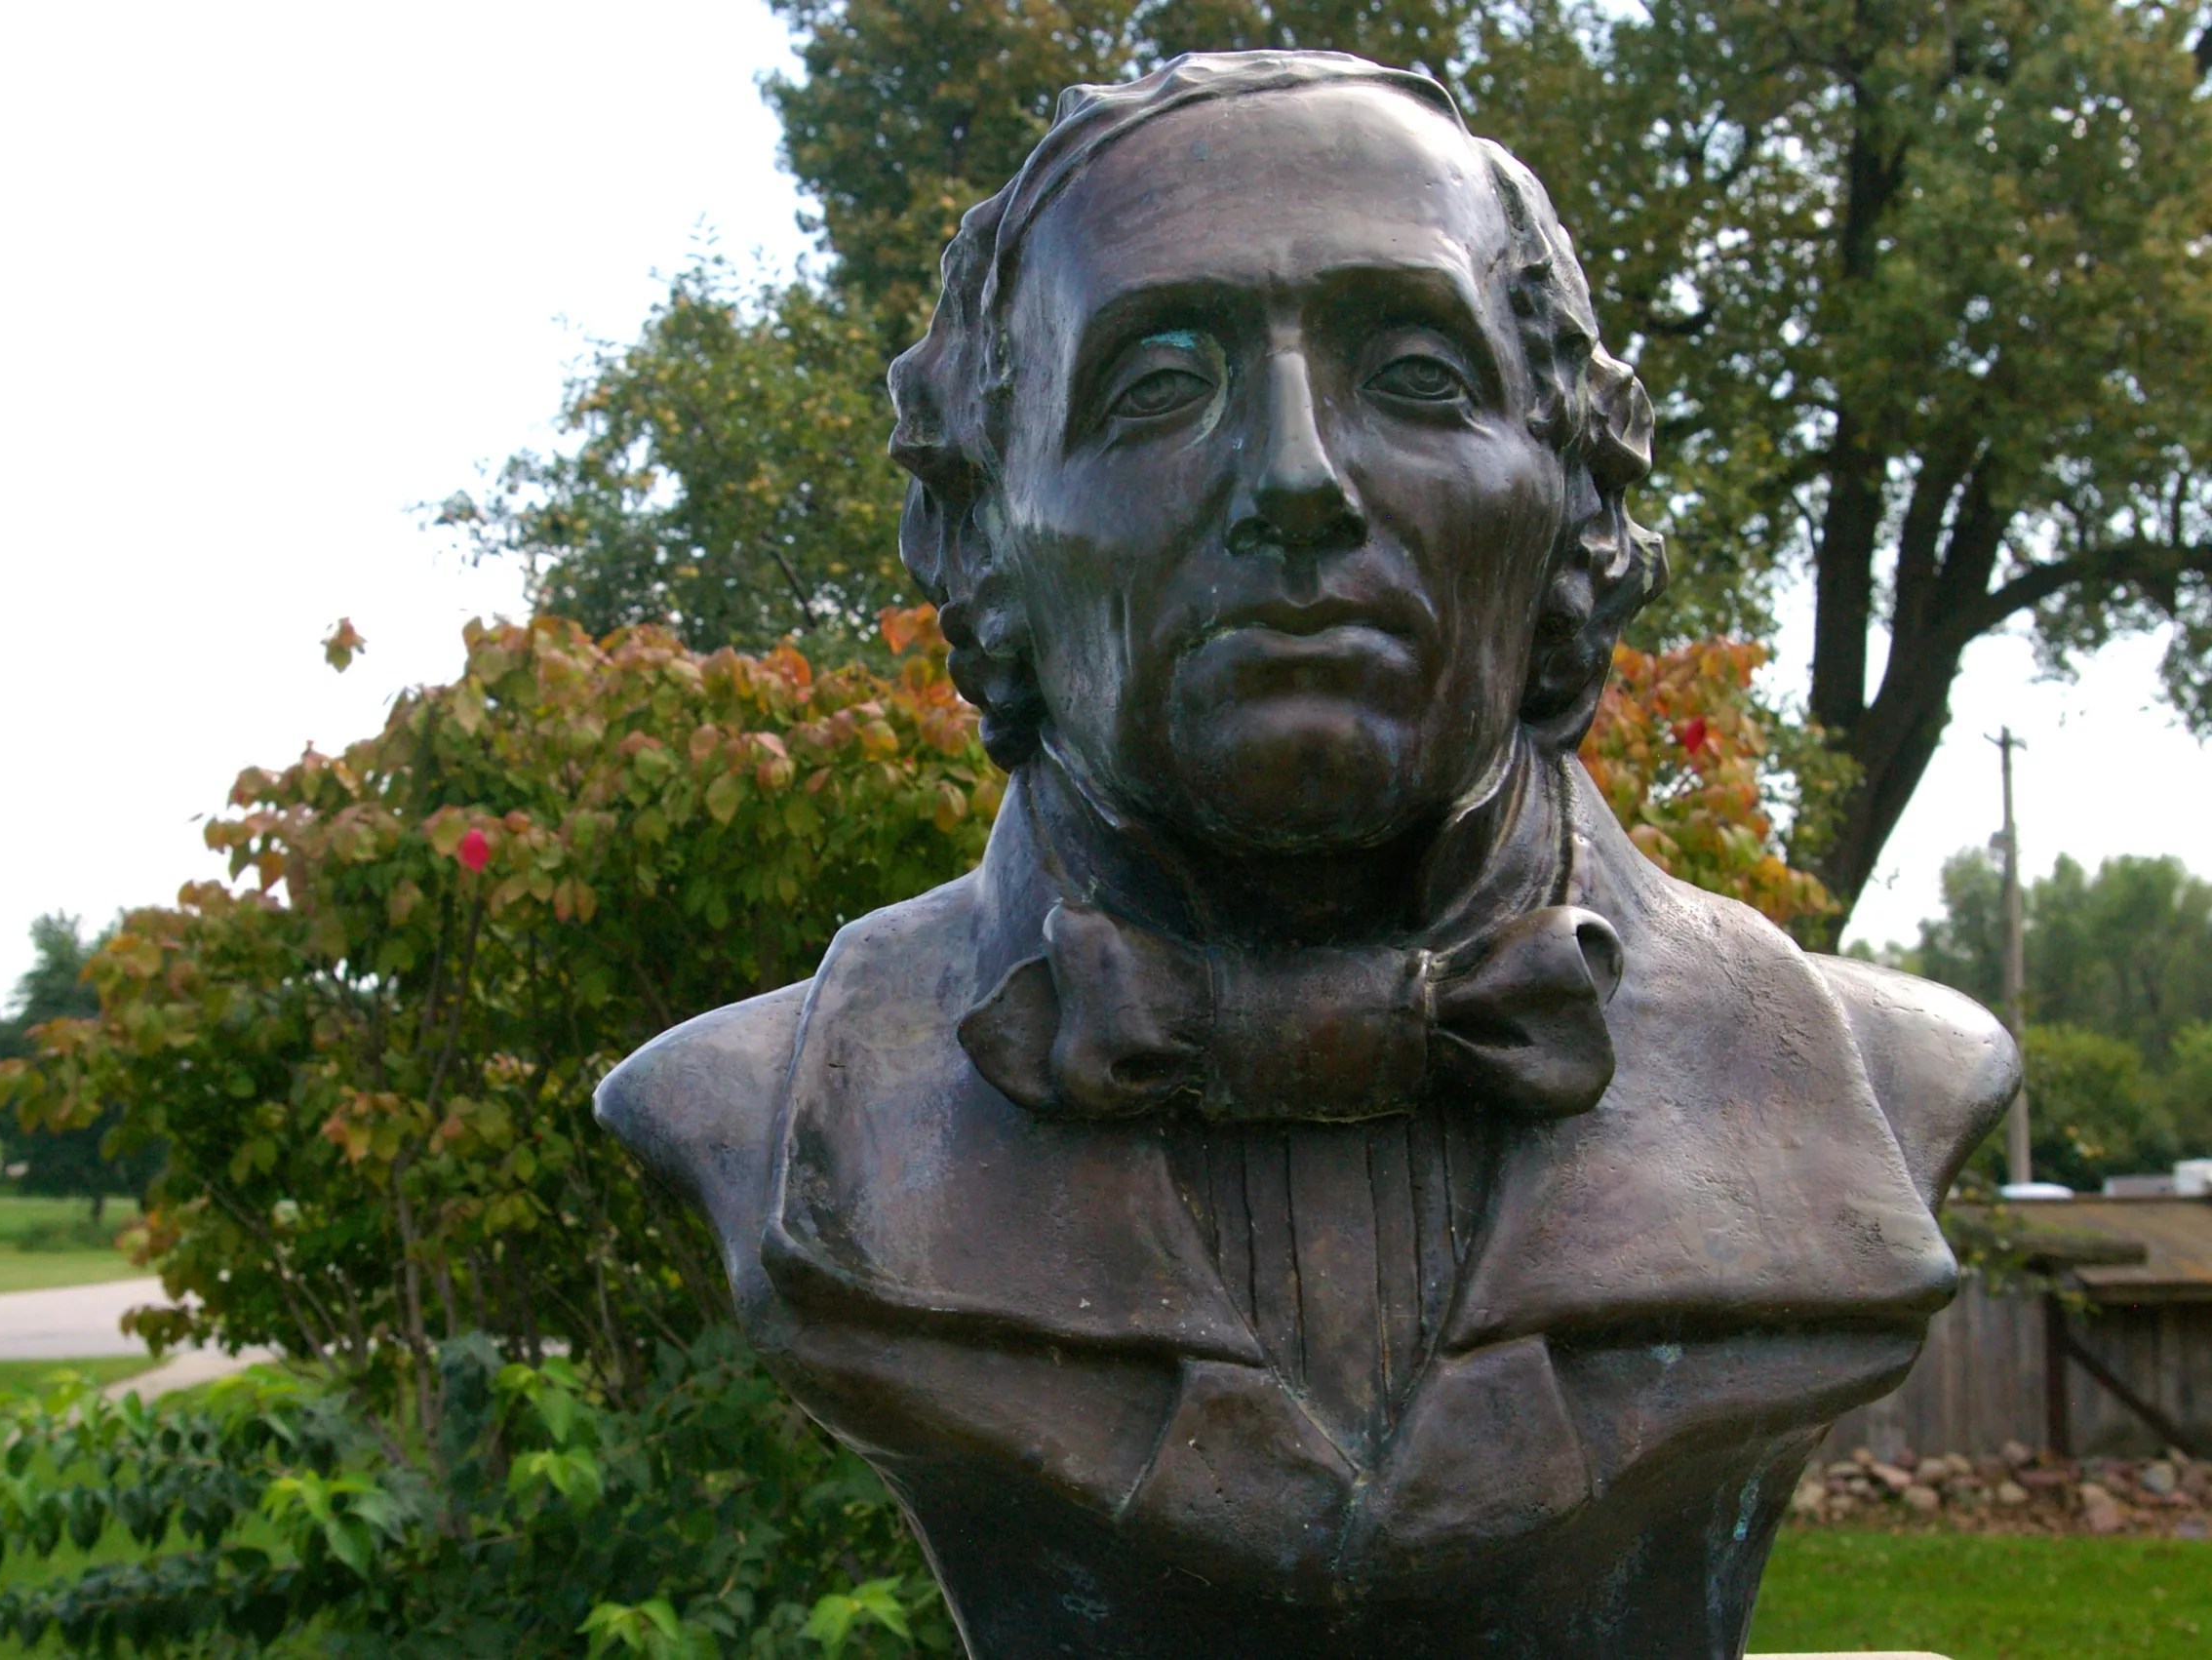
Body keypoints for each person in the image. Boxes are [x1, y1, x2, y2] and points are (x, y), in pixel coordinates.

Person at [600, 51, 2013, 1658]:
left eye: (1415, 374)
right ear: (985, 531)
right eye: (1157, 385)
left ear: (1569, 496)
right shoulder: (772, 1109)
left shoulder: (1857, 1084)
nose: (1297, 481)